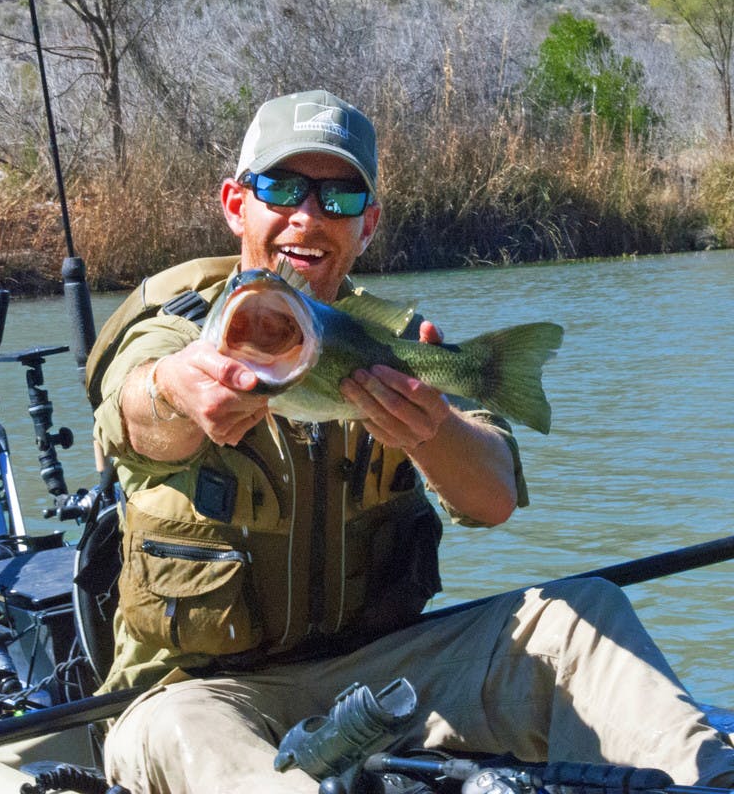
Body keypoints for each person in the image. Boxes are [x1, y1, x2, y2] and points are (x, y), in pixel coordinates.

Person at [91, 90, 734, 794]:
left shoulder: (395, 342)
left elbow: (492, 498)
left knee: (583, 611)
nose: (307, 215)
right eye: (281, 188)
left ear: (367, 226)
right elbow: (129, 410)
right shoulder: (176, 325)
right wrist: (175, 391)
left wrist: (435, 432)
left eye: (338, 198)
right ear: (235, 204)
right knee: (181, 734)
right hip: (199, 695)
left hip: (387, 669)